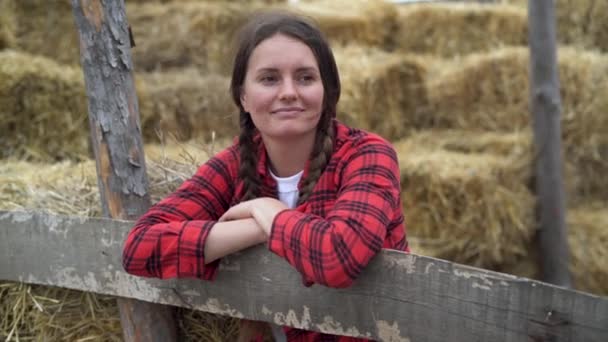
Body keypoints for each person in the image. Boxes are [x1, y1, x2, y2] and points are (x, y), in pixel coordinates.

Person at [122, 10, 409, 341]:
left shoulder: (367, 155)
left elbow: (339, 257)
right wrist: (258, 227)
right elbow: (139, 247)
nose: (288, 92)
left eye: (305, 77)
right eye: (269, 78)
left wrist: (270, 212)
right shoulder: (234, 165)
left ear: (327, 92)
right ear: (243, 97)